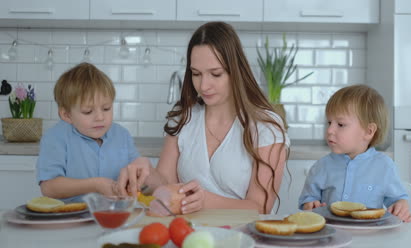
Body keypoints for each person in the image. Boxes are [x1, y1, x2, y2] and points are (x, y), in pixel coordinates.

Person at [117, 21, 290, 214]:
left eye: (215, 74)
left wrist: (204, 200)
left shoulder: (266, 127)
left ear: (236, 71)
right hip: (189, 236)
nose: (204, 85)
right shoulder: (184, 118)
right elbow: (166, 185)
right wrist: (146, 172)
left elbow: (260, 207)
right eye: (196, 74)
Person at [298, 84, 411, 222]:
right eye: (329, 122)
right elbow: (308, 200)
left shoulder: (384, 166)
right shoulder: (321, 167)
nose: (329, 130)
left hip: (370, 238)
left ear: (368, 131)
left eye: (340, 124)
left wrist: (401, 205)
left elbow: (398, 200)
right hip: (332, 234)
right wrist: (310, 205)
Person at [36, 63, 148, 203]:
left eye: (106, 108)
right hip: (69, 219)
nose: (100, 117)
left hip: (116, 216)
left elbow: (138, 173)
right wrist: (96, 185)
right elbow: (49, 188)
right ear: (66, 115)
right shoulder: (55, 138)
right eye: (88, 111)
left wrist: (139, 175)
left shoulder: (122, 135)